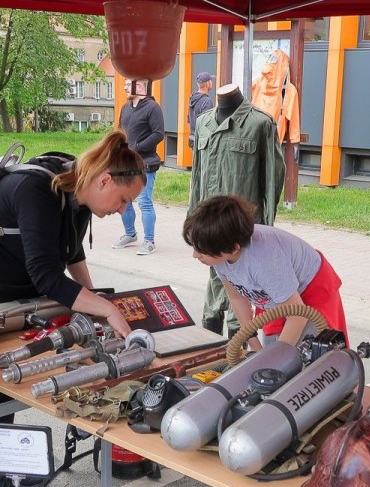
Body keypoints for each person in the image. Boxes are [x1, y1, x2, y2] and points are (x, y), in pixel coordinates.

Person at [0, 128, 143, 487]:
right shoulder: (39, 190)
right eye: (123, 200)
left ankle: (8, 465)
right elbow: (47, 277)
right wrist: (106, 309)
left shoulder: (78, 192)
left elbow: (72, 254)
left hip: (14, 284)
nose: (122, 210)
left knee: (3, 383)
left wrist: (94, 302)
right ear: (104, 180)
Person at [183, 195, 347, 349]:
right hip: (274, 293)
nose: (195, 255)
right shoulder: (220, 255)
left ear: (233, 248)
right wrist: (255, 347)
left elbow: (298, 315)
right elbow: (237, 297)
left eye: (201, 250)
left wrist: (277, 359)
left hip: (311, 289)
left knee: (311, 353)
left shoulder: (263, 262)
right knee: (272, 349)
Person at [189, 84, 285, 335]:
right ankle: (211, 342)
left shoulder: (260, 124)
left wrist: (266, 229)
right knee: (214, 280)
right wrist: (193, 225)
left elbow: (272, 180)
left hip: (239, 228)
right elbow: (196, 176)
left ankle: (239, 342)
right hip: (209, 226)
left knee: (240, 286)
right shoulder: (203, 122)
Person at [113, 78, 164, 256]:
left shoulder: (153, 108)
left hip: (145, 163)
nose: (125, 87)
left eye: (128, 84)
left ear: (140, 86)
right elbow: (120, 131)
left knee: (144, 202)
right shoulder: (125, 108)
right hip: (126, 163)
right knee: (124, 200)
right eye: (125, 84)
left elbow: (158, 134)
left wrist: (137, 147)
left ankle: (149, 241)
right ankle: (130, 234)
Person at [186, 71, 214, 152]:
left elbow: (189, 120)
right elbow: (208, 124)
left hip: (193, 140)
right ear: (208, 84)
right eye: (211, 81)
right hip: (203, 143)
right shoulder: (207, 101)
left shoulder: (192, 98)